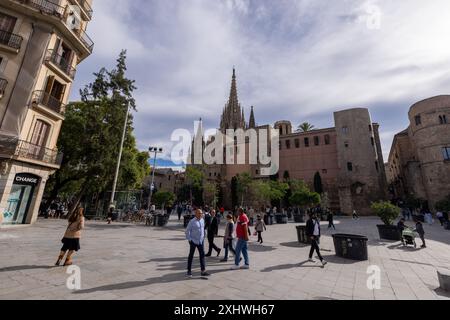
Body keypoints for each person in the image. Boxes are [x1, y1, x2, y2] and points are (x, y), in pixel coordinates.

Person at [185, 209, 210, 277]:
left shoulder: (202, 220)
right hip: (193, 241)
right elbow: (187, 231)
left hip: (201, 241)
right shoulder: (192, 221)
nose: (201, 214)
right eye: (199, 213)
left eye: (201, 213)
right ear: (196, 214)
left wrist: (204, 235)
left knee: (202, 256)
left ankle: (203, 271)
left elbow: (203, 228)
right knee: (191, 256)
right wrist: (190, 240)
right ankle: (189, 271)